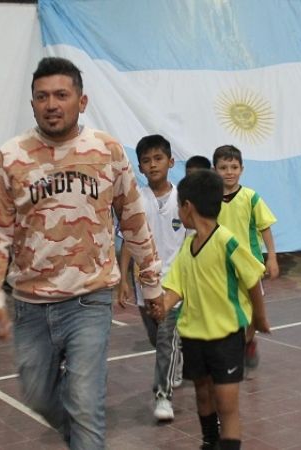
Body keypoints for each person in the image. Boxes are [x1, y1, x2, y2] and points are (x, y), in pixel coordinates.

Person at [0, 57, 163, 449]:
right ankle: (79, 436)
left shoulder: (106, 150)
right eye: (42, 96)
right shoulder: (11, 156)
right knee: (39, 395)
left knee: (84, 402)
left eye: (62, 94)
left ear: (82, 100)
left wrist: (152, 282)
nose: (51, 104)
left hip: (89, 300)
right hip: (30, 304)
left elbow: (133, 220)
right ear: (31, 104)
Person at [161, 170, 270, 450]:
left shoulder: (226, 242)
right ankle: (209, 442)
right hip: (194, 335)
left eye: (179, 208)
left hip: (226, 336)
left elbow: (252, 279)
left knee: (226, 402)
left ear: (187, 207)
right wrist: (159, 305)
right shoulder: (187, 246)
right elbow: (176, 287)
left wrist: (257, 319)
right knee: (203, 394)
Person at [116, 135, 185, 421]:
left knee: (166, 337)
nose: (153, 164)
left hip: (176, 282)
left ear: (170, 162)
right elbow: (129, 242)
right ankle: (175, 359)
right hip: (146, 284)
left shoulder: (184, 199)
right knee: (158, 338)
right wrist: (122, 280)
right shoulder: (136, 201)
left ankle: (162, 396)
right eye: (146, 160)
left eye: (158, 158)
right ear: (140, 168)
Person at [212, 145, 278, 373]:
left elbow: (265, 228)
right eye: (223, 167)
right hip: (221, 266)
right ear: (214, 170)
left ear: (242, 169)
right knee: (226, 309)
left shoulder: (251, 198)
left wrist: (272, 258)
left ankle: (247, 342)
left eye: (233, 167)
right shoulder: (210, 200)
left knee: (251, 311)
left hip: (250, 266)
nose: (229, 172)